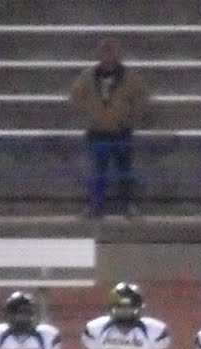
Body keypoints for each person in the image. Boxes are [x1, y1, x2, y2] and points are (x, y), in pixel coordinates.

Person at [69, 39, 150, 219]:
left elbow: (143, 98)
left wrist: (129, 116)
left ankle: (128, 206)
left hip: (121, 131)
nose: (108, 57)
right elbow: (75, 95)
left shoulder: (130, 76)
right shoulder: (88, 76)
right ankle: (96, 207)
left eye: (112, 53)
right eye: (105, 53)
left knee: (125, 171)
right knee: (98, 172)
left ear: (118, 55)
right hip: (97, 132)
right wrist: (91, 112)